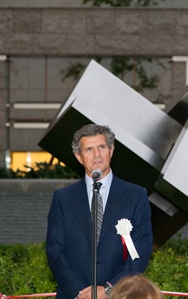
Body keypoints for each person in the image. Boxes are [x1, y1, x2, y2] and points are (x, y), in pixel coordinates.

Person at [46, 124, 153, 299]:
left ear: (111, 151)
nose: (96, 154)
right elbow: (55, 251)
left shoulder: (136, 195)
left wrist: (110, 289)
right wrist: (80, 293)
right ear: (79, 157)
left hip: (121, 294)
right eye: (89, 149)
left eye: (101, 147)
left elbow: (141, 249)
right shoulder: (63, 198)